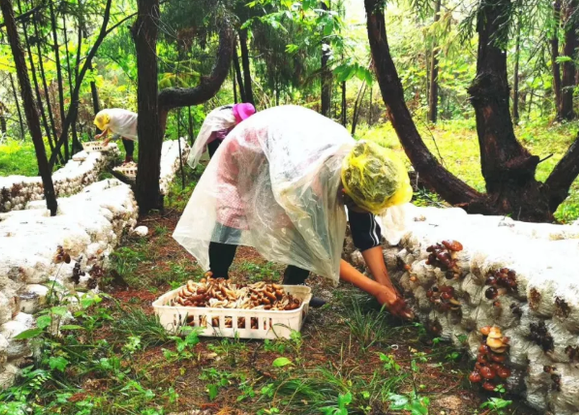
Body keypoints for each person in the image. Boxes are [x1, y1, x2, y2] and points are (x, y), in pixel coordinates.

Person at [173, 105, 413, 319]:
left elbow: (366, 232)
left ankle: (293, 287)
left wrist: (386, 287)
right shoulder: (306, 180)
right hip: (248, 149)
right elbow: (315, 247)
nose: (365, 211)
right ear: (346, 193)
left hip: (286, 149)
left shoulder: (358, 177)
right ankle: (217, 281)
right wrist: (375, 290)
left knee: (314, 225)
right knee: (232, 215)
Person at [187, 103, 256, 169]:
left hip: (221, 134)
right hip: (212, 133)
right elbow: (220, 133)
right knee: (215, 156)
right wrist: (228, 142)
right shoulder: (227, 116)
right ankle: (215, 172)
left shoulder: (233, 113)